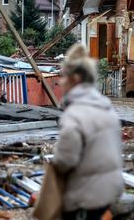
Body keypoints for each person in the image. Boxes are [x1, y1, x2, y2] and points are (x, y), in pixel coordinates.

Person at [52, 44, 124, 220]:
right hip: (110, 192)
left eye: (64, 77)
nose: (60, 82)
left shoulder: (74, 115)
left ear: (75, 79)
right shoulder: (107, 107)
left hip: (85, 199)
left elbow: (64, 161)